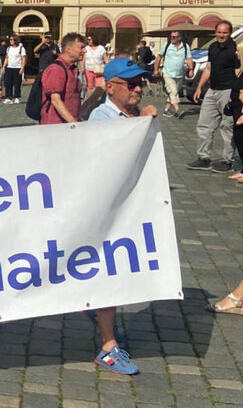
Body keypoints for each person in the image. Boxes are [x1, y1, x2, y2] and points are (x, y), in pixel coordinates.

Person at [86, 57, 158, 375]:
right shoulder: (101, 118)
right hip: (106, 210)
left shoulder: (131, 114)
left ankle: (106, 324)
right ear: (111, 87)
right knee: (109, 274)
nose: (138, 88)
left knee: (118, 271)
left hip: (129, 207)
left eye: (140, 82)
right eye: (131, 84)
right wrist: (140, 124)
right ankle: (108, 345)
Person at [189, 20, 239, 173]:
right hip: (212, 90)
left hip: (228, 91)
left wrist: (239, 94)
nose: (221, 35)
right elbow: (209, 68)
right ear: (215, 32)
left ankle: (227, 160)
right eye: (219, 32)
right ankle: (204, 158)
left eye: (225, 32)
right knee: (204, 125)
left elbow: (239, 71)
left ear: (229, 33)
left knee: (227, 126)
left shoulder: (236, 49)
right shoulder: (212, 47)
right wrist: (199, 88)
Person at [39, 33, 85, 125]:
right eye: (81, 47)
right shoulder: (56, 69)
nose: (84, 51)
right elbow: (55, 100)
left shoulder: (73, 69)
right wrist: (73, 122)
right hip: (56, 126)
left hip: (68, 125)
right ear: (68, 49)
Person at [154, 30, 194, 118]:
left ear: (180, 38)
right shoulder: (167, 45)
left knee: (173, 93)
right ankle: (177, 110)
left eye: (175, 37)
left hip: (179, 74)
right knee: (173, 92)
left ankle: (166, 110)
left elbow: (189, 59)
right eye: (171, 37)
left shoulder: (185, 47)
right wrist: (156, 69)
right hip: (167, 73)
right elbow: (159, 57)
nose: (172, 38)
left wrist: (191, 69)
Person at [226, 43, 243, 183]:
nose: (236, 53)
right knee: (239, 139)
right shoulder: (241, 70)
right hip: (236, 109)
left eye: (238, 51)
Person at [1, 35, 26, 104]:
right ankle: (8, 97)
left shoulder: (21, 48)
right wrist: (4, 67)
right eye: (10, 39)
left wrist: (22, 68)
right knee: (8, 82)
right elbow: (6, 58)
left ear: (15, 40)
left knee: (17, 83)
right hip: (9, 67)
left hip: (17, 67)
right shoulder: (9, 48)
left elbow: (23, 59)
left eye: (11, 39)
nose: (10, 41)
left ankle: (17, 97)